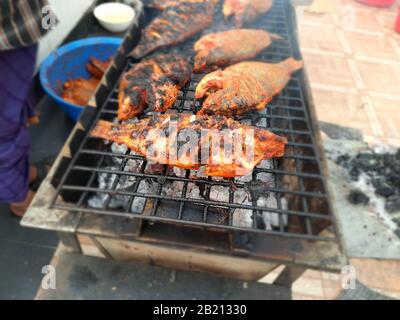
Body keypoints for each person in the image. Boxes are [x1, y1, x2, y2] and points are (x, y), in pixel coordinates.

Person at [0, 0, 57, 217]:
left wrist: (45, 17)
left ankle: (20, 173)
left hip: (18, 21)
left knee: (18, 104)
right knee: (4, 125)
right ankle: (18, 197)